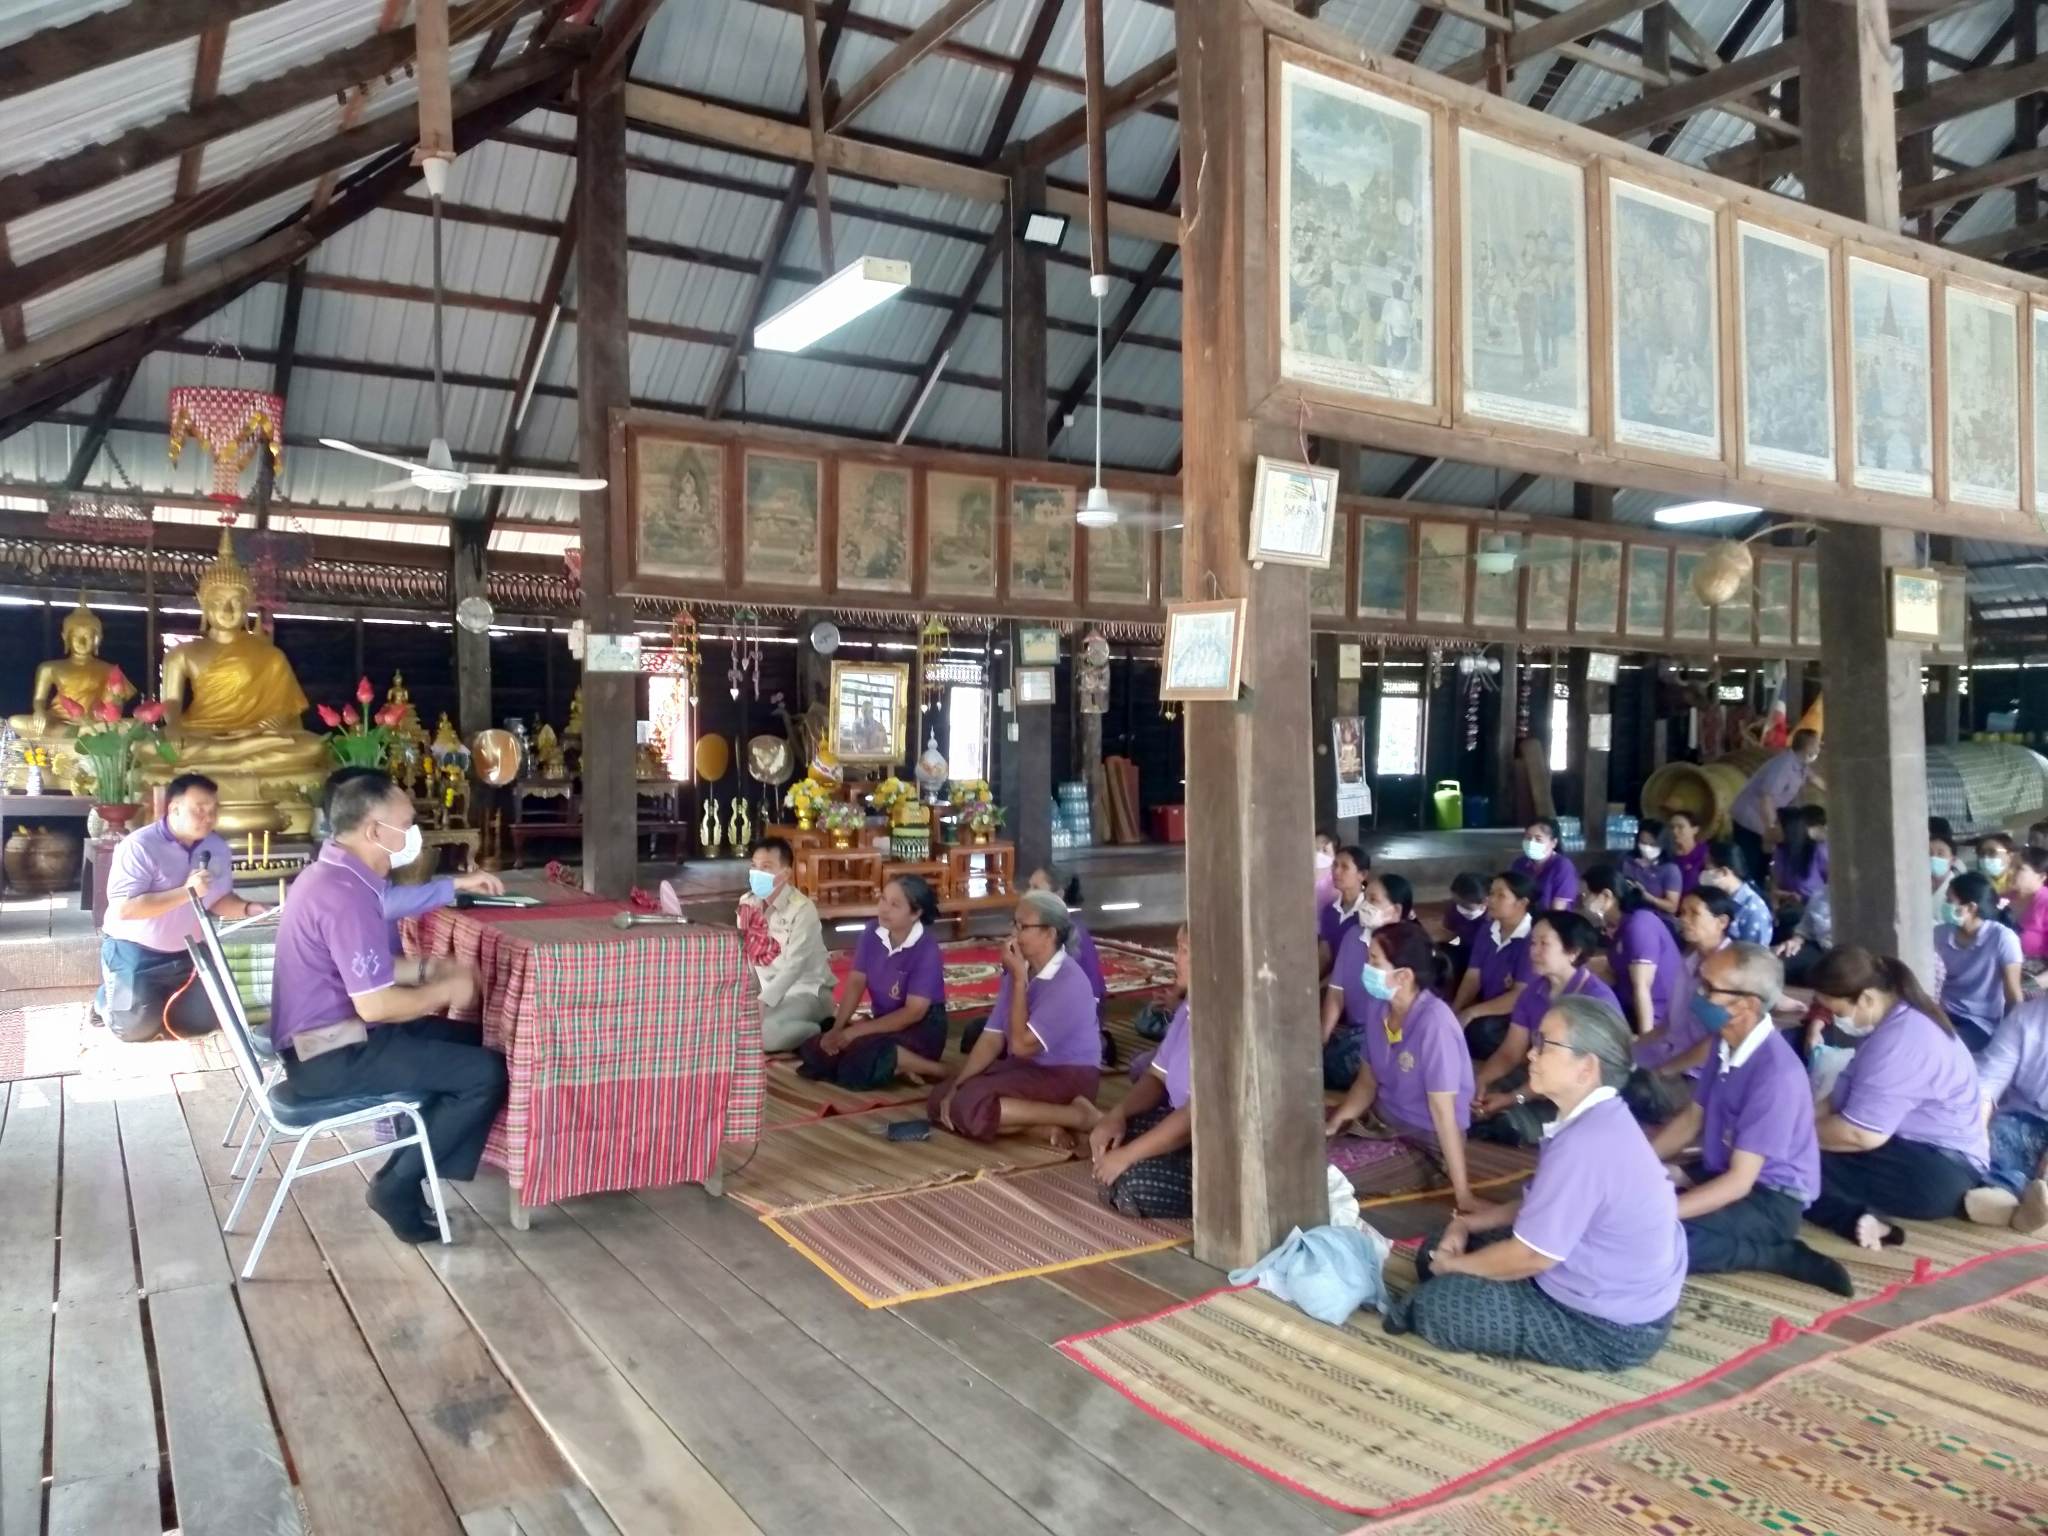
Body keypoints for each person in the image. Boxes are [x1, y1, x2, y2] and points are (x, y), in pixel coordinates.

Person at [1382, 995, 1686, 1370]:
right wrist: (1466, 1224)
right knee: (1435, 1248)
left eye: (1545, 1044)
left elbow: (1532, 1256)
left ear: (1586, 1068)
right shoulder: (1594, 1119)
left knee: (1436, 1306)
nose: (1531, 1053)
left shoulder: (1587, 1143)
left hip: (1607, 1328)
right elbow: (1541, 1203)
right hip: (1591, 1280)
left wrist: (1453, 1268)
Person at [269, 771, 507, 1242]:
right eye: (408, 823)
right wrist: (447, 991)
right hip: (329, 1053)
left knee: (471, 1042)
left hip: (332, 1038)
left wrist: (427, 970)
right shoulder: (342, 894)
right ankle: (397, 1185)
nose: (414, 833)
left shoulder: (334, 876)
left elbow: (362, 967)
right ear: (375, 830)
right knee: (484, 1073)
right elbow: (376, 1005)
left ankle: (409, 1167)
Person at [1648, 944, 1852, 1295]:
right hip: (1724, 1170)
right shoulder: (1724, 1042)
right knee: (1631, 1205)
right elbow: (1692, 1118)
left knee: (1649, 1240)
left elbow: (1740, 1183)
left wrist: (1664, 1213)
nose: (1699, 994)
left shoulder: (1775, 1074)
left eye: (1709, 988)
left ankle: (1773, 1254)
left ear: (1747, 1005)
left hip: (1770, 1201)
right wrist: (1638, 1163)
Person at [1805, 947, 1990, 1249]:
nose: (1837, 1020)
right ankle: (1860, 1220)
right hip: (1918, 1154)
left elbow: (1861, 1134)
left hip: (1933, 1171)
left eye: (1838, 1013)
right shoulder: (1895, 1023)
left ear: (1866, 998)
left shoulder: (1902, 1040)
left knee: (1786, 1164)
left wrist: (1790, 1135)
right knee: (1784, 1156)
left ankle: (1856, 1219)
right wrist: (1793, 1123)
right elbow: (1839, 1098)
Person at [98, 773, 272, 1042]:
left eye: (213, 810)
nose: (208, 817)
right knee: (134, 1029)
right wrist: (186, 892)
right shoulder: (139, 846)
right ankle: (105, 998)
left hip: (188, 952)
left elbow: (217, 899)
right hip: (133, 951)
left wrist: (250, 908)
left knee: (201, 1023)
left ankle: (157, 999)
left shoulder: (216, 847)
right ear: (174, 809)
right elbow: (126, 909)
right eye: (200, 809)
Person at [1323, 923, 1476, 1204]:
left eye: (1374, 961)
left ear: (1403, 976)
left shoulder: (1435, 1024)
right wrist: (1334, 1124)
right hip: (1380, 1122)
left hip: (1424, 1144)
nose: (1366, 968)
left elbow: (1443, 1112)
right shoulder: (1379, 1007)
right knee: (1300, 1134)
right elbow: (1366, 1082)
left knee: (1322, 1173)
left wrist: (1463, 1194)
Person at [932, 891, 1101, 1146]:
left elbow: (1021, 1047)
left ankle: (1078, 1116)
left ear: (1050, 933)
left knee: (971, 1104)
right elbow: (992, 1038)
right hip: (1025, 1070)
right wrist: (958, 1084)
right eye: (1014, 924)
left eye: (1023, 927)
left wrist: (1020, 980)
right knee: (942, 1097)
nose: (1014, 933)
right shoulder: (1021, 969)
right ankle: (1039, 1128)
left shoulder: (1068, 982)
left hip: (1067, 1075)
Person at [322, 766, 504, 942]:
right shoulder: (336, 881)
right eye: (405, 824)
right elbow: (382, 904)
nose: (409, 834)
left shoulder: (355, 863)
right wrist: (454, 885)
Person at [800, 875, 949, 1088]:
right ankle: (899, 1067)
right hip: (883, 1023)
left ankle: (934, 1069)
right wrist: (838, 1029)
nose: (884, 909)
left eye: (895, 905)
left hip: (920, 1029)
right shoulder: (872, 932)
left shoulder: (926, 948)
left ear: (915, 913)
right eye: (883, 899)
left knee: (860, 1061)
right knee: (815, 1048)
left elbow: (913, 1013)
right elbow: (856, 983)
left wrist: (853, 1033)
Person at [1473, 910, 1617, 1125]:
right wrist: (1481, 1081)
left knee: (1507, 1122)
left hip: (1582, 1088)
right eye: (1533, 943)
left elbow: (1571, 1072)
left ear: (1573, 952)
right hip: (1545, 1075)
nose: (1533, 951)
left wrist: (1513, 1098)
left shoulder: (1596, 1000)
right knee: (1477, 1098)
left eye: (1544, 944)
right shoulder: (1532, 992)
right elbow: (1510, 1052)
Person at [1092, 926, 1194, 1218]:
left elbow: (1197, 1115)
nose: (1175, 958)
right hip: (1180, 1123)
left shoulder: (1223, 1016)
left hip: (1216, 1145)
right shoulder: (1190, 1006)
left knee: (1134, 1183)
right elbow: (1156, 1075)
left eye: (1184, 951)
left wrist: (1127, 1156)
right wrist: (1118, 1114)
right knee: (1111, 1140)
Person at [738, 837, 835, 1052]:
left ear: (786, 873)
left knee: (764, 1036)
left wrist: (762, 1002)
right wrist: (747, 997)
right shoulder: (747, 903)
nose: (757, 873)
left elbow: (795, 966)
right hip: (769, 993)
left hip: (807, 992)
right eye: (754, 866)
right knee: (732, 1025)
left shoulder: (802, 909)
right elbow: (747, 955)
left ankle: (819, 1030)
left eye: (766, 867)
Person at [1966, 999, 2048, 1234]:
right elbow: (1988, 1080)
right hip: (2023, 1118)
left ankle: (2036, 1202)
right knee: (2001, 1133)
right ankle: (2006, 1196)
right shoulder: (2025, 1017)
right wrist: (1978, 1136)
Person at [1582, 865, 1685, 1039]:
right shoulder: (1619, 927)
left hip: (1658, 1019)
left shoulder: (1640, 925)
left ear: (1606, 895)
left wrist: (1645, 1041)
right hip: (1630, 1008)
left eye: (1586, 895)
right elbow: (1612, 970)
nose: (1583, 901)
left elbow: (1642, 988)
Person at [1934, 871, 2022, 1052]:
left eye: (1950, 900)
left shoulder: (2002, 938)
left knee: (1942, 1046)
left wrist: (2011, 1038)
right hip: (1942, 1012)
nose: (1945, 905)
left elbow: (2013, 995)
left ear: (1971, 908)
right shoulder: (1940, 934)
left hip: (1979, 1022)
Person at [1453, 872, 1535, 1059]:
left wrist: (1471, 1012)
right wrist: (1456, 1010)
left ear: (1522, 903)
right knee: (1457, 1025)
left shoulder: (1532, 939)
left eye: (1501, 895)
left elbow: (1519, 996)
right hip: (1490, 1007)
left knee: (1480, 1032)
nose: (1490, 900)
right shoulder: (1488, 929)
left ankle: (1520, 1055)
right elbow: (1473, 976)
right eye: (1491, 893)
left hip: (1520, 1015)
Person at [1729, 727, 1820, 882]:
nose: (1819, 748)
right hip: (1750, 819)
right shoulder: (1783, 766)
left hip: (1762, 819)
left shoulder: (1800, 764)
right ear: (1807, 747)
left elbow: (1813, 777)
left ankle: (1758, 887)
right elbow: (1766, 797)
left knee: (1763, 862)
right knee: (1750, 864)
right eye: (1816, 745)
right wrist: (1771, 828)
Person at [1700, 841, 1773, 947]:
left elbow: (1755, 952)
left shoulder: (1753, 910)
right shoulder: (1719, 897)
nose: (1702, 873)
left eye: (1707, 868)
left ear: (1723, 872)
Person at [1317, 845, 1371, 976]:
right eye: (1335, 865)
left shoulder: (1370, 913)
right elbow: (1325, 955)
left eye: (1345, 867)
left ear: (1362, 875)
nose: (1336, 871)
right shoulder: (1330, 910)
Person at [1769, 806, 1830, 916]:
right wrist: (1785, 895)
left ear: (1789, 827)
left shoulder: (1817, 851)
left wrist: (1805, 899)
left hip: (1817, 912)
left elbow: (1832, 885)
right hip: (1789, 911)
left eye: (1777, 823)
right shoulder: (1780, 852)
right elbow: (1775, 886)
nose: (1773, 827)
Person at [1511, 817, 1580, 911]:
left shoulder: (1563, 866)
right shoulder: (1519, 864)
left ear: (1553, 843)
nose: (1531, 843)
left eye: (1538, 839)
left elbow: (1558, 910)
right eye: (1528, 838)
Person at [1622, 818, 1682, 918]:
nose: (1646, 848)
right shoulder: (1628, 861)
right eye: (1643, 843)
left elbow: (1672, 907)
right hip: (1628, 914)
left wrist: (1648, 897)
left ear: (1663, 844)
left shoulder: (1670, 870)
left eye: (1652, 844)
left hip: (1657, 919)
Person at [1441, 872, 1490, 985]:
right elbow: (1451, 933)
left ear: (1485, 901)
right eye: (1457, 903)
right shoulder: (1453, 909)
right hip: (1465, 949)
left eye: (1466, 906)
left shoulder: (1494, 918)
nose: (1460, 908)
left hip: (1487, 956)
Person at [2011, 849, 2048, 960]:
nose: (2010, 872)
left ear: (2041, 876)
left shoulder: (2045, 903)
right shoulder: (2002, 898)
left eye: (2019, 868)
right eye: (2011, 866)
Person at [1667, 809, 1709, 898]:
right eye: (1671, 827)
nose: (1674, 831)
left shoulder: (1706, 853)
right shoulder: (1666, 855)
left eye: (1680, 827)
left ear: (1695, 829)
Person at [1977, 833, 2018, 898]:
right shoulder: (1977, 884)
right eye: (1981, 853)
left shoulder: (2020, 884)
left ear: (2010, 856)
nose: (1985, 858)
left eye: (1992, 852)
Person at [1313, 832, 1338, 912]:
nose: (1318, 854)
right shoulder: (1300, 875)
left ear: (1334, 855)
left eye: (1325, 850)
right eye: (1315, 849)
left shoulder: (1337, 881)